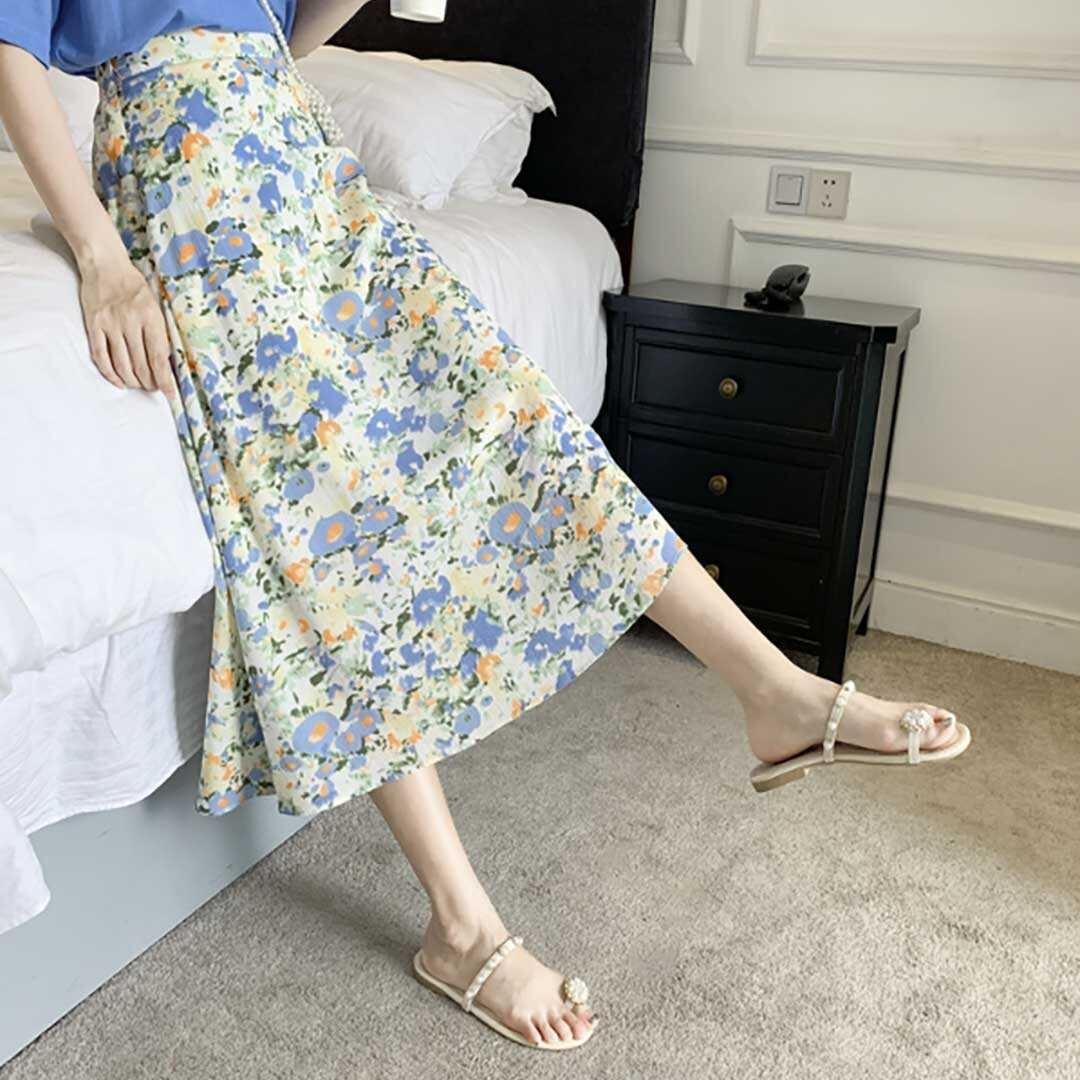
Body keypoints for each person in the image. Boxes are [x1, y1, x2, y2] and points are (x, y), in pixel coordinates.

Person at [0, 0, 969, 1053]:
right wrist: (101, 257)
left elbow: (291, 35)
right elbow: (12, 45)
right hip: (188, 183)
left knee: (515, 418)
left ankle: (777, 692)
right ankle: (462, 927)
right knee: (332, 524)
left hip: (313, 175)